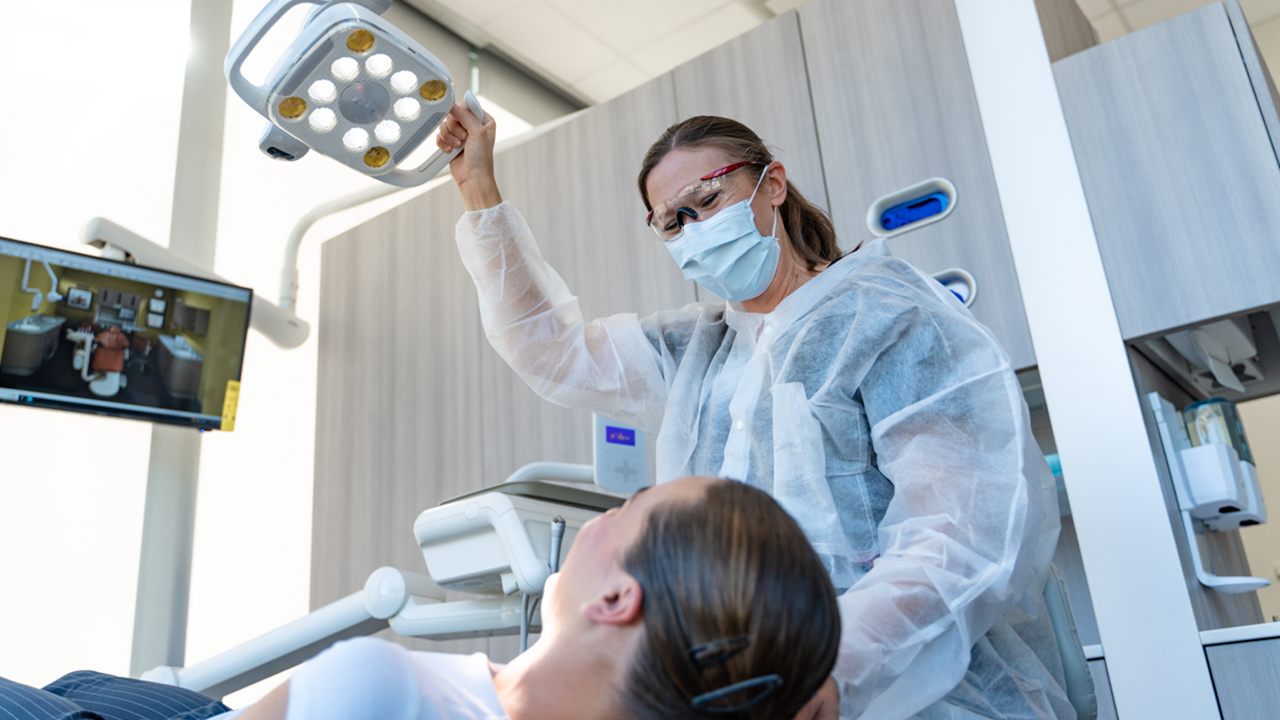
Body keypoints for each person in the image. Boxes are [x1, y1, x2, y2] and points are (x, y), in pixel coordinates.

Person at [434, 104, 1072, 720]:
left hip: (918, 693)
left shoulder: (889, 317)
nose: (693, 231)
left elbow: (960, 533)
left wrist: (827, 671)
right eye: (672, 222)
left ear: (772, 184)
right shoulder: (699, 349)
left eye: (706, 201)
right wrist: (479, 187)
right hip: (749, 694)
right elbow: (552, 351)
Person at [0, 477, 841, 720]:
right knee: (80, 682)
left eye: (621, 514)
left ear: (617, 597)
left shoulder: (378, 690)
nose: (597, 522)